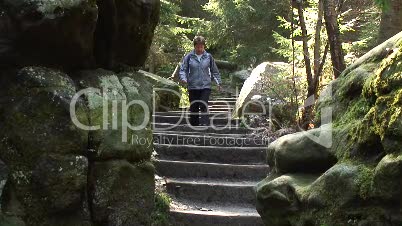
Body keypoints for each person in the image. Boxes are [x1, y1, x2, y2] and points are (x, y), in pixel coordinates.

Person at [179, 36, 222, 126]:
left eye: (201, 47)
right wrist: (183, 78)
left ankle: (205, 124)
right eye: (197, 47)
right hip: (193, 86)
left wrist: (218, 82)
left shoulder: (208, 57)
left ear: (204, 47)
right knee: (194, 106)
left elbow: (214, 71)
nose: (199, 49)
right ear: (194, 47)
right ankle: (194, 126)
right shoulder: (189, 57)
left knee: (203, 104)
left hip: (205, 86)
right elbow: (183, 69)